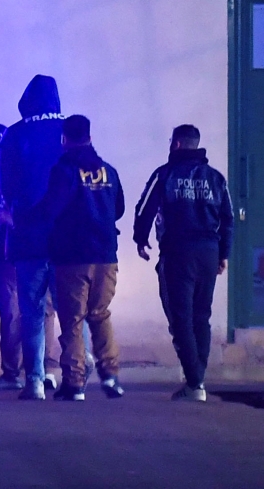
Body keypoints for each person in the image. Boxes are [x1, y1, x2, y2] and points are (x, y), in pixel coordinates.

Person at [21, 115, 125, 401]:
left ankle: (75, 383)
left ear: (64, 139)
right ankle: (111, 376)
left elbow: (48, 210)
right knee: (100, 314)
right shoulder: (109, 172)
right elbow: (118, 210)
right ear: (90, 137)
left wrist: (16, 218)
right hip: (106, 256)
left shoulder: (64, 170)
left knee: (73, 320)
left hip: (73, 258)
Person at [134, 124, 233, 402]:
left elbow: (144, 208)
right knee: (202, 316)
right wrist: (223, 253)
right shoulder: (216, 178)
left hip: (178, 252)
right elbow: (228, 219)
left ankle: (195, 382)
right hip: (208, 252)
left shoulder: (165, 174)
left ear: (176, 144)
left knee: (180, 318)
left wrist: (140, 238)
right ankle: (196, 380)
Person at [0, 75, 66, 400]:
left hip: (28, 237)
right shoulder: (70, 131)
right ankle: (75, 371)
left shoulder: (15, 134)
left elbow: (6, 186)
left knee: (32, 310)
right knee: (69, 308)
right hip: (69, 240)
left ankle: (34, 380)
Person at [0, 175, 60, 391]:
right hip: (42, 254)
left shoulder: (2, 186)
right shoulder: (44, 181)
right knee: (43, 311)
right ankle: (45, 370)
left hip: (12, 258)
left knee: (13, 312)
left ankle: (14, 373)